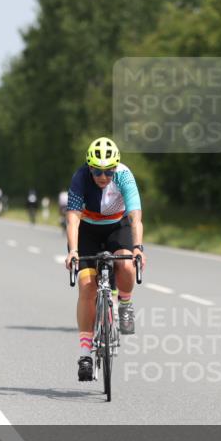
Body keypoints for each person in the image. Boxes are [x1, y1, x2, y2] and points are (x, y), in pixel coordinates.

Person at [63, 137, 146, 381]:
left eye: (108, 172)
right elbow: (72, 219)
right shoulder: (80, 178)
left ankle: (126, 304)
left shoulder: (124, 176)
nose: (103, 176)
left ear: (115, 168)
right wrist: (73, 251)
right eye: (98, 171)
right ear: (89, 167)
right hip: (87, 230)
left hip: (116, 227)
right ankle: (85, 354)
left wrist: (139, 247)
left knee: (127, 266)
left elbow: (135, 216)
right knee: (87, 286)